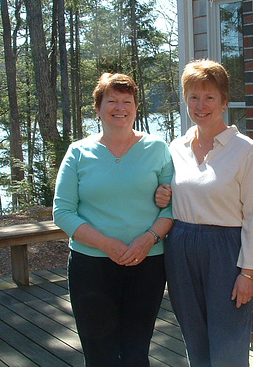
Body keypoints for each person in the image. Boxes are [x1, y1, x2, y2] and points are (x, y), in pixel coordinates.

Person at [53, 73, 174, 367]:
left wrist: (148, 240)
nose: (120, 107)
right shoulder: (78, 152)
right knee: (99, 356)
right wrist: (107, 244)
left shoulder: (158, 149)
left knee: (136, 353)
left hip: (147, 264)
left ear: (135, 108)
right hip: (90, 268)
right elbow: (62, 211)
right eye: (112, 101)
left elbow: (173, 207)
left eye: (127, 101)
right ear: (98, 108)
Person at [156, 59, 253, 367]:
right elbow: (169, 195)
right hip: (180, 246)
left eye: (209, 97)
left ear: (224, 101)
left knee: (228, 341)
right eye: (193, 96)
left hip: (226, 251)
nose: (200, 104)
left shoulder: (245, 150)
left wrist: (248, 273)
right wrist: (161, 194)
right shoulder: (176, 148)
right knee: (194, 337)